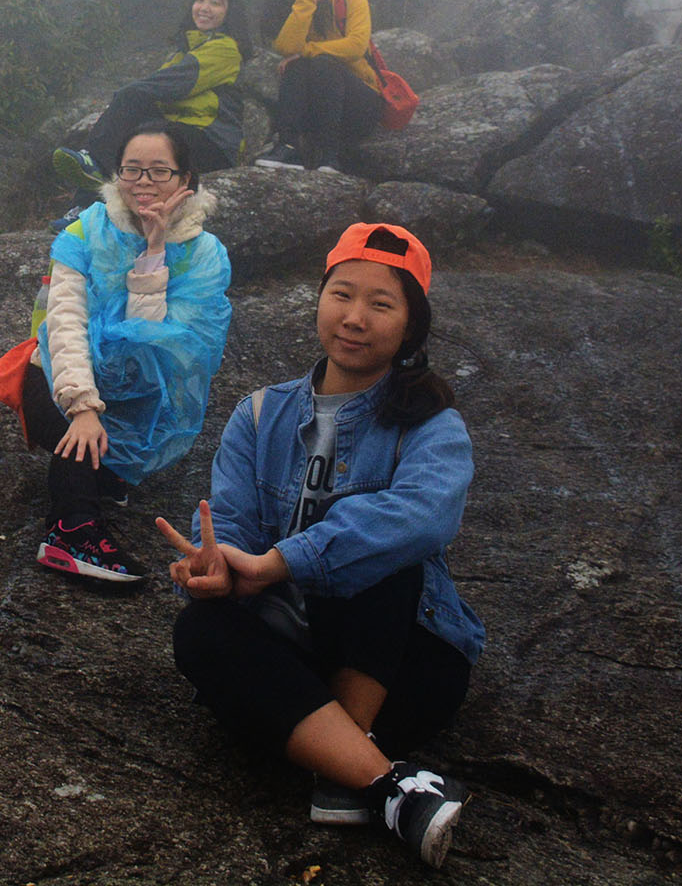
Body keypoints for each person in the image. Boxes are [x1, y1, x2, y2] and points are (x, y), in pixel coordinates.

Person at [165, 222, 481, 869]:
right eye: (342, 294)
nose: (355, 317)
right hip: (293, 654)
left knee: (381, 561)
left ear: (410, 327)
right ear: (319, 299)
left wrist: (282, 562)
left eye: (381, 303)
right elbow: (232, 525)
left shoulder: (432, 425)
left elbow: (421, 518)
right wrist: (219, 568)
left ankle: (340, 757)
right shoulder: (260, 414)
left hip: (398, 664)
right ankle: (380, 782)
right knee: (200, 630)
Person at [24, 122, 233, 583]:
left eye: (159, 171)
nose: (143, 182)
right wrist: (82, 406)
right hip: (59, 378)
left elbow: (158, 346)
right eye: (132, 169)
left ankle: (106, 472)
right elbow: (64, 323)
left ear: (185, 179)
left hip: (142, 390)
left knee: (114, 428)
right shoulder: (85, 231)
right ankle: (70, 531)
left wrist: (154, 250)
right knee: (77, 430)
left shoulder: (203, 255)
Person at [53, 0, 249, 189]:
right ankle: (92, 188)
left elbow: (172, 85)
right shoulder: (184, 52)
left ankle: (96, 163)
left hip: (212, 145)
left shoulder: (226, 49)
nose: (204, 8)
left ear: (230, 12)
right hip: (182, 132)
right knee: (133, 124)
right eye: (200, 0)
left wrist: (126, 97)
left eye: (215, 3)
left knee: (133, 106)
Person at [257, 0, 386, 175]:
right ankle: (289, 147)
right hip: (319, 110)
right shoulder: (298, 10)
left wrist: (308, 50)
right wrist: (306, 2)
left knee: (321, 63)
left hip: (360, 105)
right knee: (296, 65)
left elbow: (356, 46)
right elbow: (286, 48)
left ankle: (330, 156)